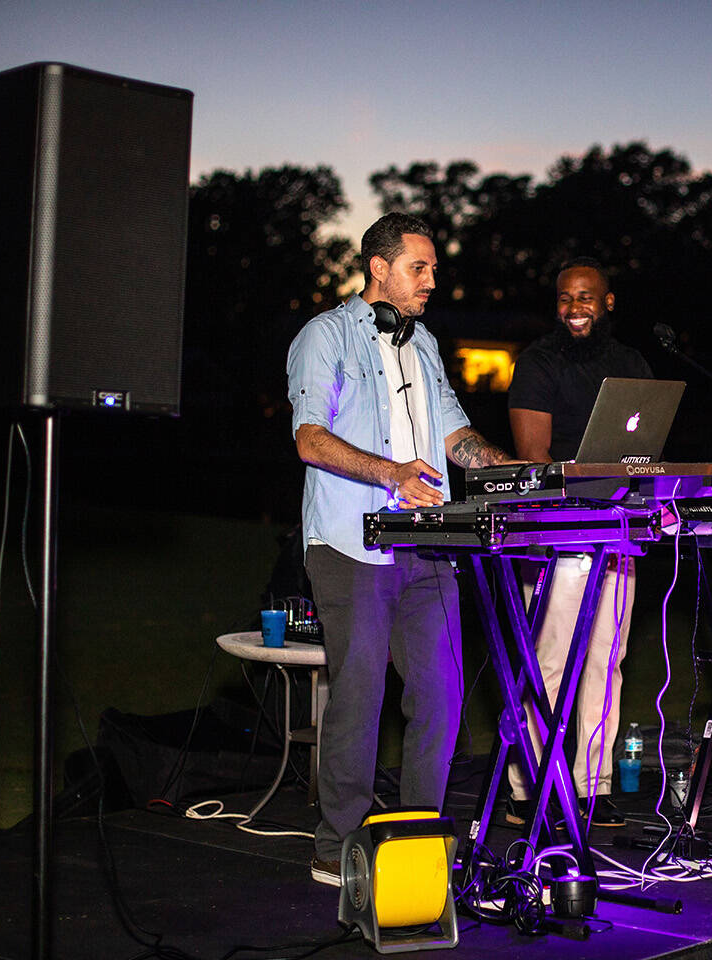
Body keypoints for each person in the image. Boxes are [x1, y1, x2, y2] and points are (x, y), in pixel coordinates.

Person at [287, 212, 515, 885]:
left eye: (434, 269)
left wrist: (520, 478)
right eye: (421, 268)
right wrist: (391, 474)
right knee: (358, 698)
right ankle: (338, 847)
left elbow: (455, 436)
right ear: (379, 267)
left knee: (442, 698)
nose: (432, 281)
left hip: (429, 545)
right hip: (349, 543)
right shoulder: (323, 338)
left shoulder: (426, 345)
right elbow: (309, 439)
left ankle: (419, 836)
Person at [505, 257, 653, 829]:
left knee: (605, 663)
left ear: (607, 302)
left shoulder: (631, 364)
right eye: (566, 298)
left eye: (586, 297)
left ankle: (590, 789)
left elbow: (642, 447)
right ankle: (531, 787)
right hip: (558, 537)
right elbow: (534, 457)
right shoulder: (539, 363)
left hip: (617, 535)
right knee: (547, 662)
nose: (575, 308)